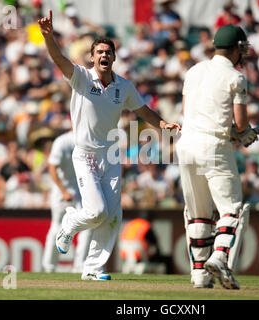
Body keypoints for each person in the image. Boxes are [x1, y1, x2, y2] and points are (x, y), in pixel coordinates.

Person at [38, 10, 180, 281]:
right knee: (97, 211)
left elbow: (143, 110)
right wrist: (48, 36)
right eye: (99, 52)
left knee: (113, 216)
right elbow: (58, 58)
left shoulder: (123, 87)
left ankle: (92, 268)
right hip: (86, 155)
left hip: (111, 155)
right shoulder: (80, 77)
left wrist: (162, 125)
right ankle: (69, 224)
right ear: (93, 57)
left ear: (114, 57)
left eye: (108, 52)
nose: (104, 55)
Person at [176, 24, 256, 289]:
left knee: (199, 214)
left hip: (186, 145)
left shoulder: (194, 70)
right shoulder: (236, 77)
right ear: (237, 49)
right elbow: (242, 124)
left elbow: (189, 113)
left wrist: (234, 130)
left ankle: (200, 274)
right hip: (214, 146)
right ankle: (220, 257)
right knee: (231, 208)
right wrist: (242, 133)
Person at [42, 129, 92, 273]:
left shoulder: (87, 139)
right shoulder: (63, 141)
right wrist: (64, 191)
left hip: (81, 190)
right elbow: (52, 168)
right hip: (61, 191)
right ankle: (49, 266)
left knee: (87, 227)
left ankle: (79, 266)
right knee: (57, 227)